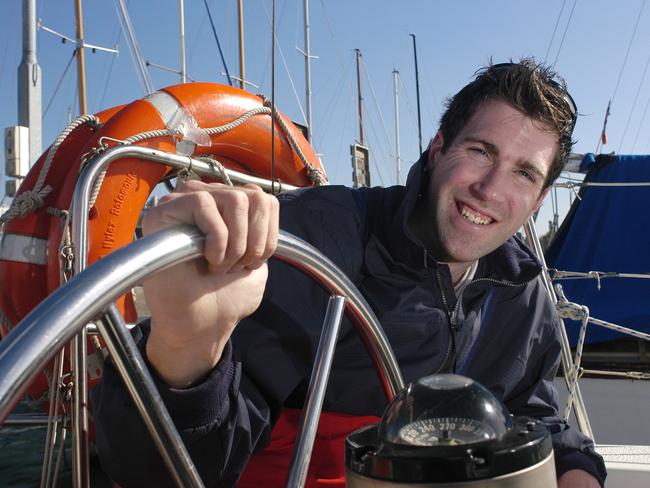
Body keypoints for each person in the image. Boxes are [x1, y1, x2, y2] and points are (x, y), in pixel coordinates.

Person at [93, 59, 607, 487]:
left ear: (539, 199)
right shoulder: (319, 241)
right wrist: (188, 345)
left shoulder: (521, 291)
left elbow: (530, 410)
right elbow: (163, 471)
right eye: (480, 151)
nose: (491, 190)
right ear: (439, 147)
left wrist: (576, 468)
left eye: (524, 173)